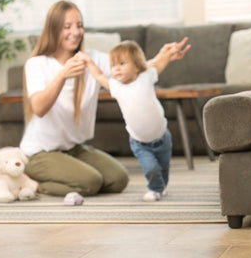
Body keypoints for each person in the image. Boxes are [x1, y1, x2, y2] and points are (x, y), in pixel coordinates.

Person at [19, 0, 189, 197]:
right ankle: (31, 183)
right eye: (67, 27)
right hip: (40, 153)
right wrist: (62, 75)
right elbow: (39, 108)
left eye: (79, 25)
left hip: (74, 149)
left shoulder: (92, 59)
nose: (75, 32)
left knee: (118, 179)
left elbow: (131, 72)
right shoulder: (37, 64)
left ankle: (71, 174)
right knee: (90, 182)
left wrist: (163, 56)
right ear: (53, 29)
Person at [78, 38, 189, 201]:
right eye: (113, 65)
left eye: (122, 63)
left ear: (137, 66)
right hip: (139, 142)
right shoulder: (116, 87)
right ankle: (154, 188)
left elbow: (159, 63)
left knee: (163, 168)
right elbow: (100, 76)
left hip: (163, 137)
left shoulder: (146, 77)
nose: (116, 69)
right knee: (151, 168)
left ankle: (161, 187)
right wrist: (88, 61)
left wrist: (169, 52)